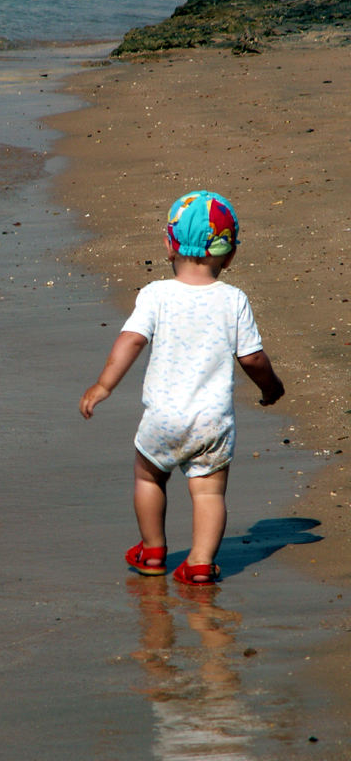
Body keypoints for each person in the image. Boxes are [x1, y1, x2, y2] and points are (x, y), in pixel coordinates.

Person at [79, 190, 284, 586]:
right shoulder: (233, 300)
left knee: (148, 477)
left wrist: (104, 385)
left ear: (168, 245)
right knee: (208, 494)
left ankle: (153, 550)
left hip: (163, 417)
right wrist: (270, 387)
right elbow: (252, 359)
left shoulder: (156, 295)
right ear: (230, 254)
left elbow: (131, 341)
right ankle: (201, 563)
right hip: (212, 422)